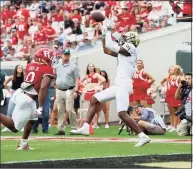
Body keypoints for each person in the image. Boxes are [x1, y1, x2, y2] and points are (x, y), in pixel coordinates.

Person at [71, 20, 151, 147]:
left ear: (130, 40)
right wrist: (104, 33)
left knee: (122, 113)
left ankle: (142, 136)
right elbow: (106, 50)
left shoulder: (131, 48)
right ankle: (86, 127)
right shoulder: (125, 52)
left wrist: (107, 30)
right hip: (120, 84)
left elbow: (111, 44)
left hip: (124, 84)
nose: (123, 38)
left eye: (125, 37)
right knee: (94, 99)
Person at [0, 46, 56, 150]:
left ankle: (23, 144)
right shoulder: (48, 69)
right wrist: (41, 106)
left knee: (32, 119)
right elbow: (43, 88)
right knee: (15, 128)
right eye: (50, 56)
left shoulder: (30, 65)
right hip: (27, 98)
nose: (52, 58)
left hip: (22, 93)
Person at [54, 48, 80, 135]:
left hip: (69, 89)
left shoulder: (73, 66)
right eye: (65, 54)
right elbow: (54, 73)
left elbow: (77, 78)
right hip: (59, 89)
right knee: (60, 109)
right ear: (62, 55)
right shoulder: (57, 64)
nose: (66, 56)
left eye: (67, 54)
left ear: (70, 55)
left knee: (69, 109)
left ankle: (74, 128)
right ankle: (61, 129)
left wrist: (76, 90)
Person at [2, 65, 24, 132]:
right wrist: (9, 90)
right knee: (10, 110)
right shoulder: (12, 76)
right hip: (14, 93)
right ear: (16, 69)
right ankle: (8, 126)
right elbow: (5, 83)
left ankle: (21, 126)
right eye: (18, 68)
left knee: (21, 110)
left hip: (21, 93)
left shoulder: (24, 77)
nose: (20, 69)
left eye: (21, 68)